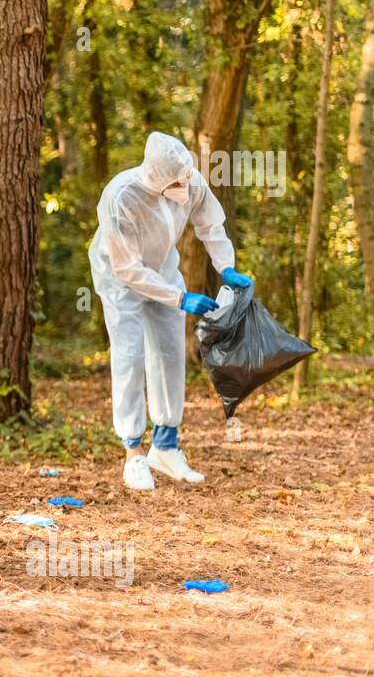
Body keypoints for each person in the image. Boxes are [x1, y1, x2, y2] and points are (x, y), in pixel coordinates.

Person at [88, 132, 253, 491]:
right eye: (178, 180)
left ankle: (165, 445)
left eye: (188, 175)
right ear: (158, 178)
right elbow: (128, 270)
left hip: (163, 269)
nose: (187, 183)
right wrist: (180, 298)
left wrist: (226, 267)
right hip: (119, 278)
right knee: (130, 355)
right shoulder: (121, 197)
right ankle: (133, 452)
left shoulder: (190, 179)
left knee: (169, 352)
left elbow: (211, 224)